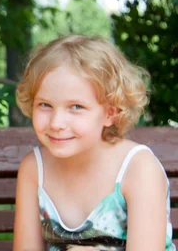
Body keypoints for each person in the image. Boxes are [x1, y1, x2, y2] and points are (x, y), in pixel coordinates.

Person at [13, 35, 175, 250]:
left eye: (76, 107)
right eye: (45, 104)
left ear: (110, 113)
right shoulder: (34, 169)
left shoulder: (138, 169)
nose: (57, 123)